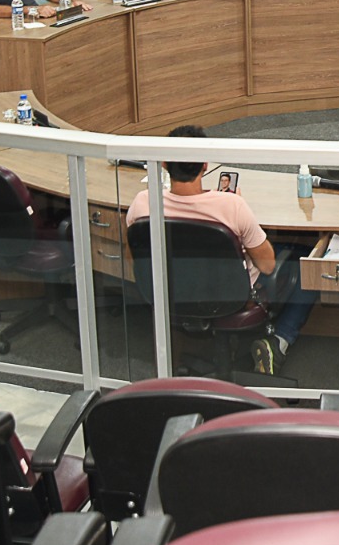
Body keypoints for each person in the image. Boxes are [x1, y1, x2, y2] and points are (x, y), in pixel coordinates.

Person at [123, 125, 317, 377]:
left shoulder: (142, 203)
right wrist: (237, 205)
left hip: (169, 292)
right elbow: (268, 265)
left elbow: (134, 258)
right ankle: (279, 340)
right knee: (304, 258)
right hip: (233, 297)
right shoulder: (231, 205)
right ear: (205, 165)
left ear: (164, 164)